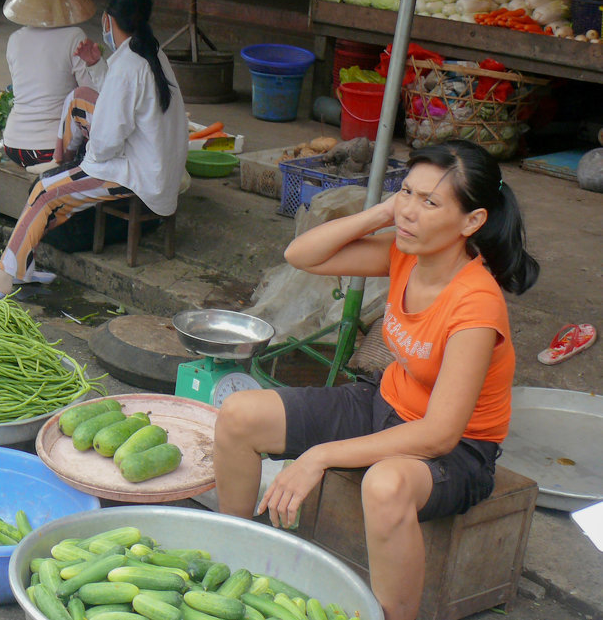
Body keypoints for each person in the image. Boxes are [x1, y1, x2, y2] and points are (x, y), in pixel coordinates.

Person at [213, 139, 539, 620]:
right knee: (239, 415)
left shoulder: (476, 305)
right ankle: (229, 567)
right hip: (381, 406)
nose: (410, 211)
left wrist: (318, 456)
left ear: (472, 222)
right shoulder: (406, 253)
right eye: (407, 192)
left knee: (384, 485)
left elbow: (438, 433)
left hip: (460, 452)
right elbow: (301, 254)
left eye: (430, 203)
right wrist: (382, 213)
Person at [0, 0, 187, 298]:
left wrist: (84, 164)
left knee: (44, 190)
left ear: (107, 20)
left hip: (137, 173)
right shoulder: (148, 53)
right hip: (151, 161)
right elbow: (119, 104)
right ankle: (23, 264)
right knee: (78, 98)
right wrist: (95, 66)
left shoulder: (129, 67)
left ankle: (3, 275)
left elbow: (106, 142)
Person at [1, 0, 107, 168]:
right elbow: (89, 94)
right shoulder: (74, 36)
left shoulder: (14, 39)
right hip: (49, 149)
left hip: (13, 145)